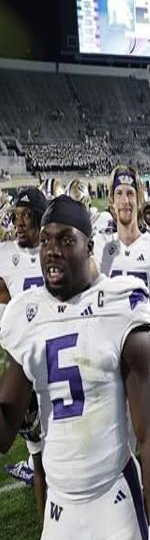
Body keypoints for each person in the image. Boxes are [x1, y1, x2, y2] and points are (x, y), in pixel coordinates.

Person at [0, 196, 150, 540]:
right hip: (60, 509)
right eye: (45, 240)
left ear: (89, 246)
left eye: (65, 240)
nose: (52, 250)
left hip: (115, 500)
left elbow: (149, 433)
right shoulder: (26, 315)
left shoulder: (120, 303)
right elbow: (4, 431)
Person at [93, 166, 150, 540]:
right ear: (111, 202)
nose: (126, 201)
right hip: (110, 374)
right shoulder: (99, 252)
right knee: (118, 460)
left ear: (139, 200)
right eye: (120, 194)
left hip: (148, 371)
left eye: (131, 194)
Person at [0, 187, 49, 513]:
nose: (18, 223)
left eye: (26, 216)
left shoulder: (55, 249)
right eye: (15, 216)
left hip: (57, 361)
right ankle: (50, 527)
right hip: (24, 367)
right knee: (38, 457)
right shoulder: (6, 255)